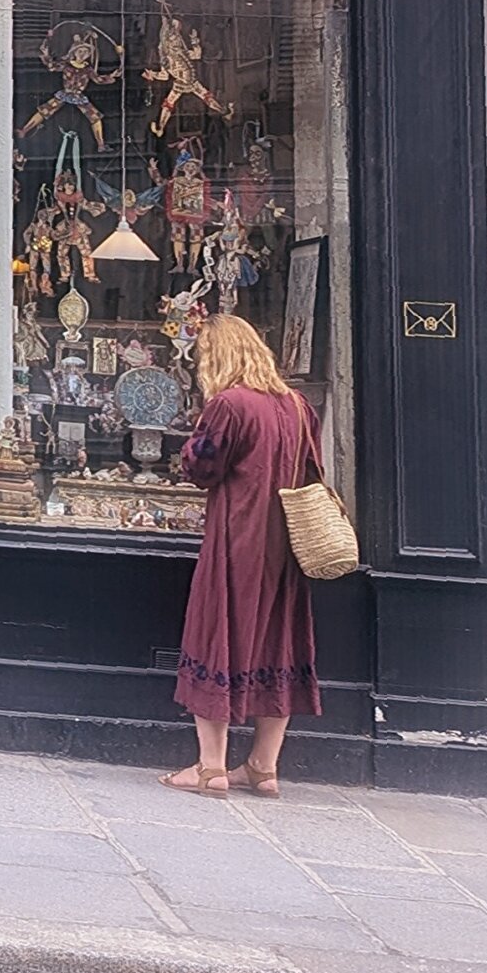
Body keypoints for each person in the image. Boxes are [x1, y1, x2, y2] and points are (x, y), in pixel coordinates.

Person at [160, 313, 320, 797]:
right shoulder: (297, 405)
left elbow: (202, 466)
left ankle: (210, 768)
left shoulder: (228, 404)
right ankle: (263, 767)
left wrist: (189, 446)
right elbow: (312, 470)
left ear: (217, 355)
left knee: (217, 635)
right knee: (279, 643)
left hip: (238, 539)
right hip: (286, 546)